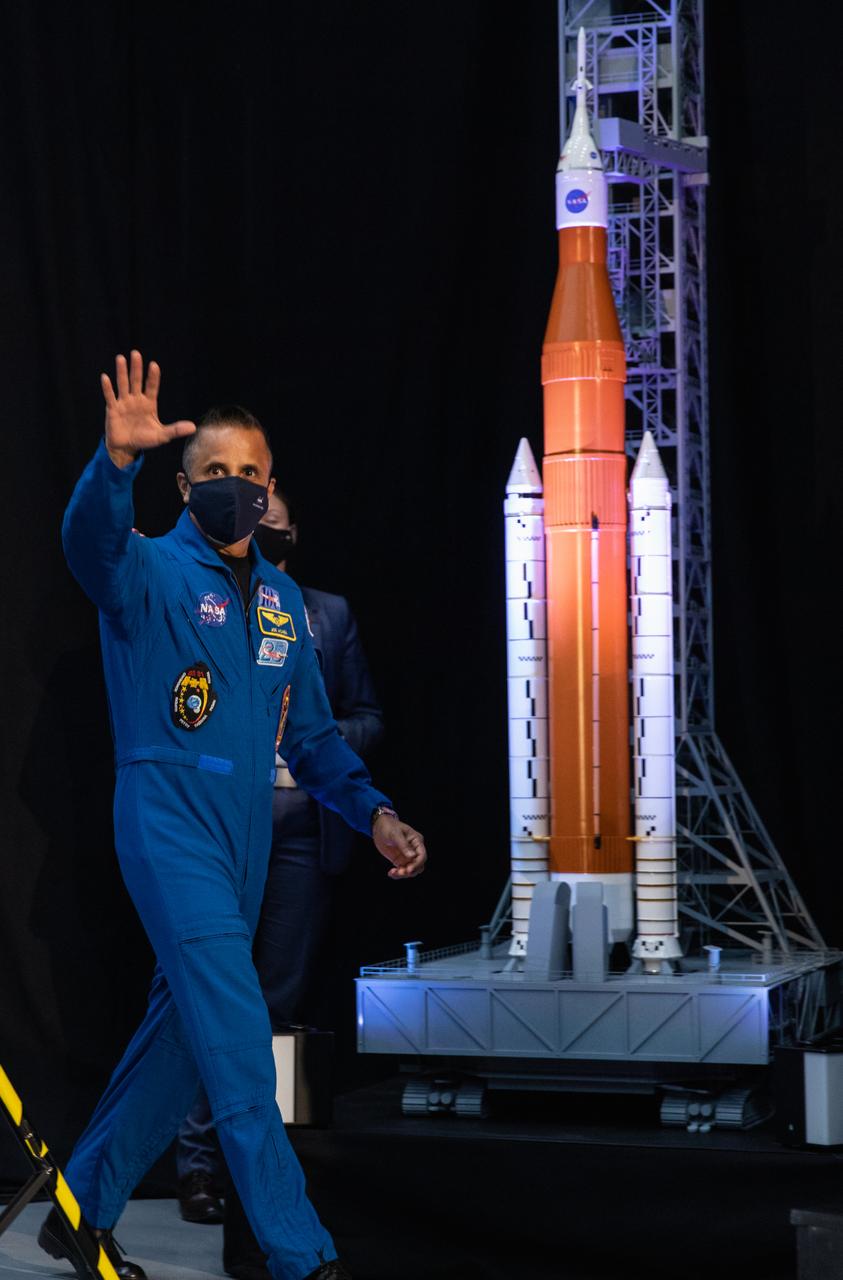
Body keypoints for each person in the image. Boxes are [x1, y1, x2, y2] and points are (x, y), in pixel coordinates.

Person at [39, 351, 426, 1280]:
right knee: (240, 1036)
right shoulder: (148, 571)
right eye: (214, 473)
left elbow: (319, 742)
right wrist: (114, 466)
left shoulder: (287, 606)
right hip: (169, 822)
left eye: (249, 474)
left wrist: (372, 814)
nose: (234, 488)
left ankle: (79, 1206)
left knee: (183, 1035)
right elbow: (89, 543)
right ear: (184, 484)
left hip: (245, 836)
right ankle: (304, 1254)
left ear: (271, 486)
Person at [176, 490, 384, 1261]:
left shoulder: (320, 612)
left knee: (271, 1005)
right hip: (220, 831)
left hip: (302, 838)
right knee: (212, 1001)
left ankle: (250, 1171)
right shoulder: (203, 602)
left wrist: (308, 736)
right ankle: (198, 1165)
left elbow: (364, 717)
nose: (264, 523)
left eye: (276, 512)